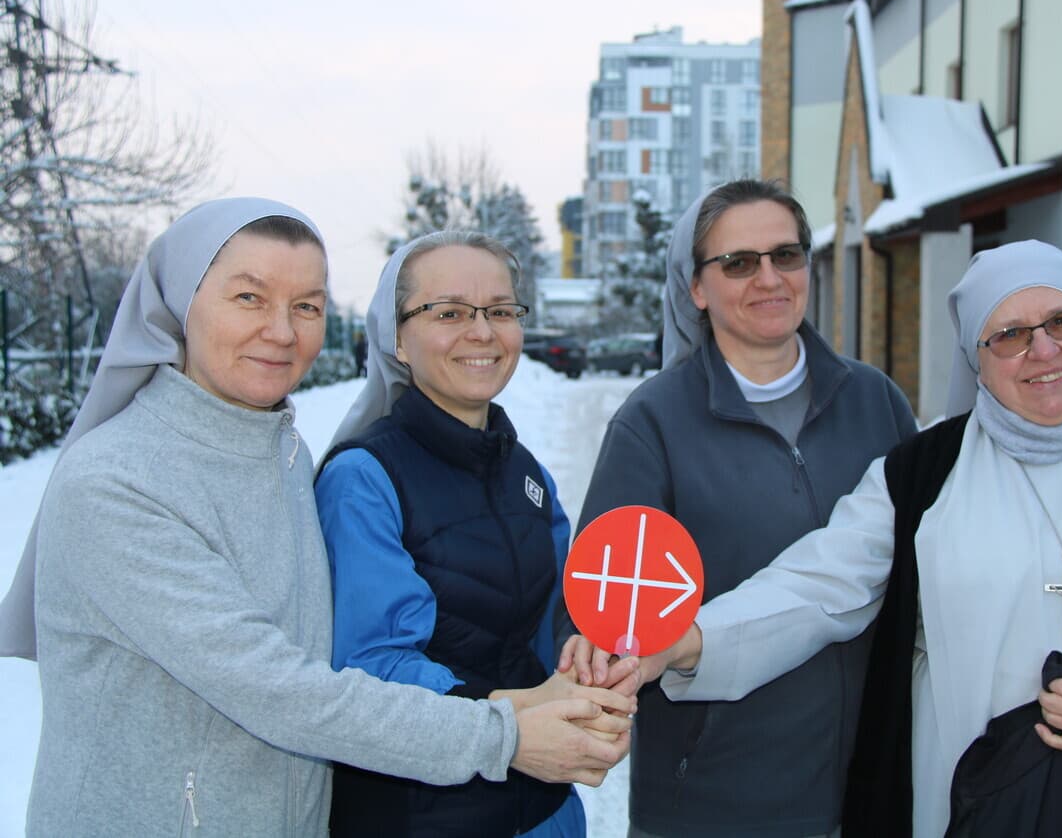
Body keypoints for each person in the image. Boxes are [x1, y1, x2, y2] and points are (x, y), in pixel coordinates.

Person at [596, 239, 1062, 836]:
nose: (1043, 350)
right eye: (1008, 334)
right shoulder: (923, 475)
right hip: (968, 805)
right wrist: (693, 640)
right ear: (975, 359)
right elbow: (819, 586)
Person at [0, 198, 633, 837]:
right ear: (178, 304)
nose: (281, 330)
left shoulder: (282, 458)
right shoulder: (116, 483)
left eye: (306, 305)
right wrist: (507, 730)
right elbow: (278, 688)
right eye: (249, 297)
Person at [560, 179, 917, 837]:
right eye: (739, 263)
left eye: (787, 255)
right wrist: (598, 651)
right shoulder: (654, 423)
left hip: (870, 789)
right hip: (713, 803)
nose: (769, 278)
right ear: (696, 288)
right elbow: (604, 607)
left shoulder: (877, 402)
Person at [316, 230, 636, 837]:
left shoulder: (527, 474)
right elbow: (372, 666)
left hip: (544, 811)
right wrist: (522, 717)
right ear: (397, 339)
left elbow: (560, 615)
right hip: (425, 818)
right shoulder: (364, 479)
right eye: (450, 312)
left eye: (500, 311)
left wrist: (589, 669)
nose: (482, 332)